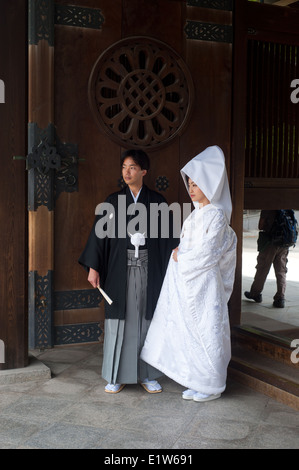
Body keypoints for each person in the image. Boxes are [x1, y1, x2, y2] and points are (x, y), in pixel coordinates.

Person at [140, 146, 237, 403]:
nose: (191, 189)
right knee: (191, 331)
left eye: (197, 184)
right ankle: (197, 380)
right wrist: (180, 252)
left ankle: (212, 384)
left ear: (210, 186)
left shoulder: (216, 216)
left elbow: (208, 252)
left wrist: (180, 256)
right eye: (190, 184)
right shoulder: (195, 216)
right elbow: (186, 247)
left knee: (209, 331)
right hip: (190, 283)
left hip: (206, 285)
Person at [78, 149, 178, 394]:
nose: (127, 172)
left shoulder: (157, 202)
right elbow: (99, 238)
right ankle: (116, 375)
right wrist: (93, 267)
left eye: (132, 167)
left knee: (147, 320)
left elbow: (168, 240)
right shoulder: (113, 201)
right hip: (118, 270)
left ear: (144, 171)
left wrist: (178, 260)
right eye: (124, 167)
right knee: (118, 321)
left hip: (148, 267)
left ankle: (148, 374)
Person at [244, 210, 291, 308]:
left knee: (262, 269)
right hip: (284, 244)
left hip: (270, 243)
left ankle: (255, 294)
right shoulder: (287, 207)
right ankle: (280, 298)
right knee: (281, 271)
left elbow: (260, 226)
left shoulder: (268, 206)